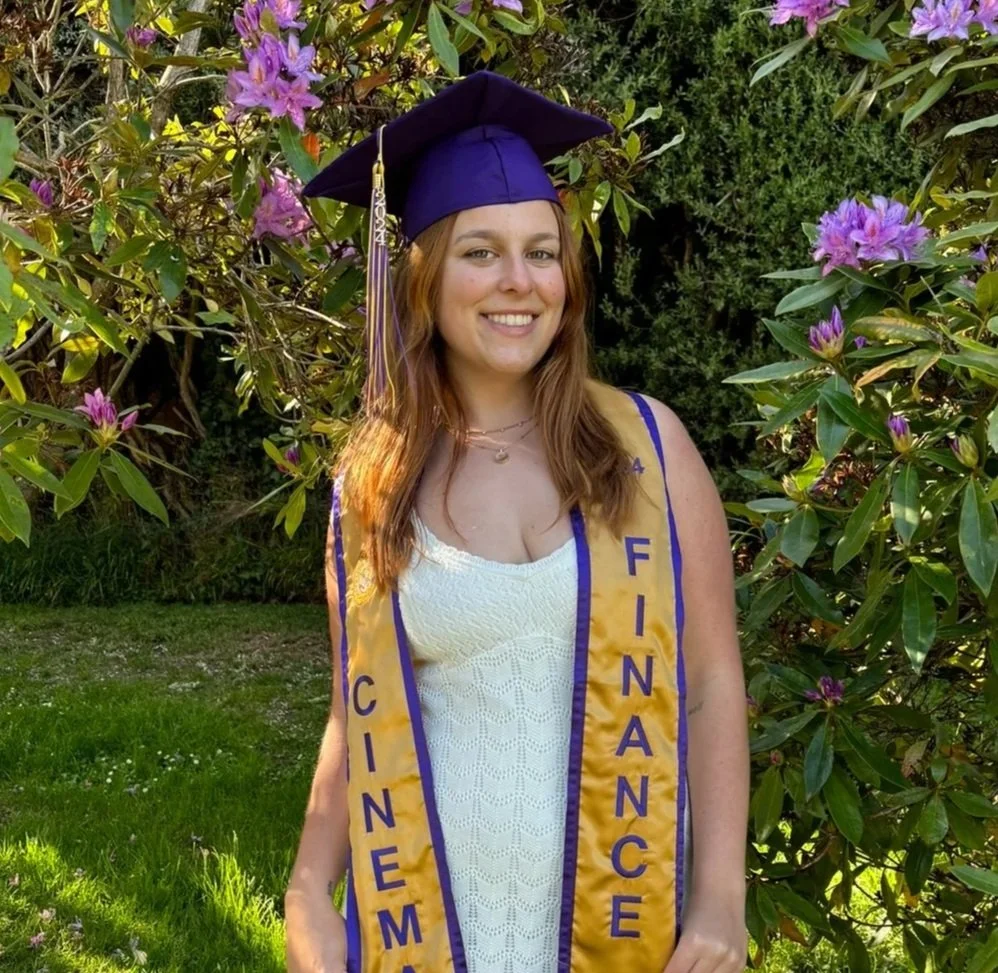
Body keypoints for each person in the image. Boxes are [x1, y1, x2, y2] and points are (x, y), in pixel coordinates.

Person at [284, 71, 749, 973]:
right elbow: (360, 701)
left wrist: (721, 901)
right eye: (481, 252)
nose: (519, 282)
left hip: (625, 929)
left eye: (542, 252)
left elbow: (710, 681)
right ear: (423, 278)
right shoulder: (373, 481)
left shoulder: (650, 449)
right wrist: (307, 887)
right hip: (426, 933)